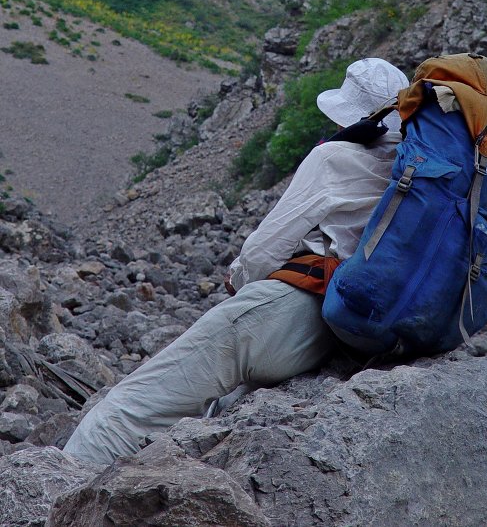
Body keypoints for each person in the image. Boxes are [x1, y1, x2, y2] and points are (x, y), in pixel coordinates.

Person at [64, 58, 408, 465]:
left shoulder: (335, 156)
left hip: (292, 308)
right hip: (346, 328)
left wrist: (239, 280)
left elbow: (264, 250)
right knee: (216, 410)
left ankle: (55, 487)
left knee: (128, 408)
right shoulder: (410, 167)